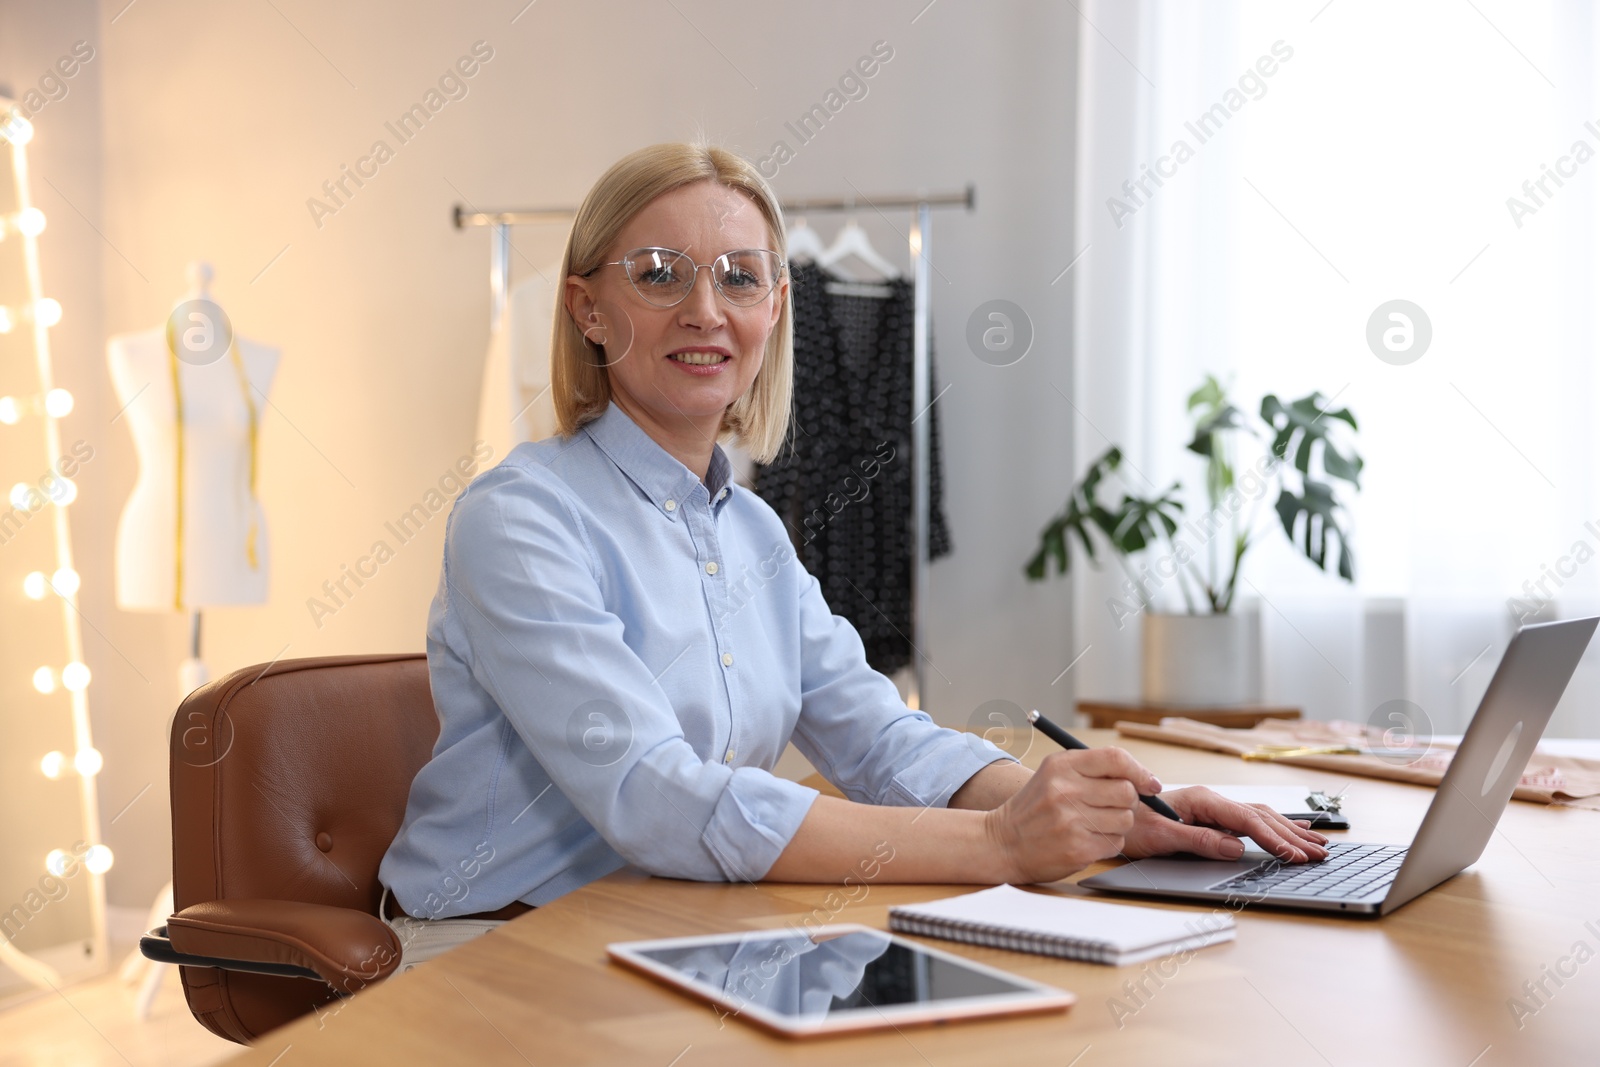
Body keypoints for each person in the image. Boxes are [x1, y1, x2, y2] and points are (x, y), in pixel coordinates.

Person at [375, 142, 1327, 974]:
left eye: (741, 277)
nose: (705, 310)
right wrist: (1000, 842)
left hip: (668, 924)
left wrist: (1117, 815)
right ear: (587, 308)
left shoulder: (751, 530)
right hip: (497, 947)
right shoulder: (519, 517)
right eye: (660, 273)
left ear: (776, 309)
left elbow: (879, 739)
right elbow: (653, 796)